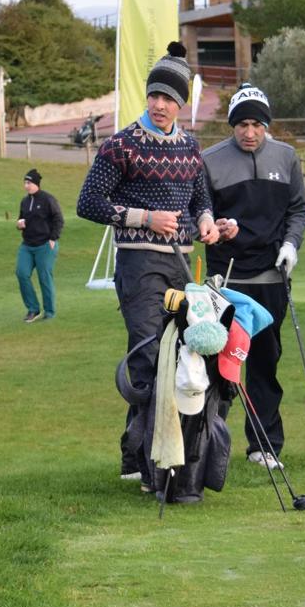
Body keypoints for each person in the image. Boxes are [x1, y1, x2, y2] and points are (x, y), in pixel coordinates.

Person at [76, 42, 219, 484]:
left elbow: (200, 199)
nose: (160, 104)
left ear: (180, 103)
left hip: (180, 266)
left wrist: (209, 221)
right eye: (154, 95)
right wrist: (144, 218)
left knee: (177, 357)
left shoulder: (191, 149)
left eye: (169, 98)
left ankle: (163, 455)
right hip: (137, 265)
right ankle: (138, 459)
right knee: (146, 354)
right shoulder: (122, 145)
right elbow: (88, 203)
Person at [203, 84, 305, 470]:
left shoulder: (287, 157)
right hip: (226, 278)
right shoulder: (210, 160)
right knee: (219, 364)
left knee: (265, 362)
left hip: (270, 276)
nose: (250, 132)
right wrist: (216, 226)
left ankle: (263, 446)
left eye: (258, 124)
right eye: (243, 124)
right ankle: (210, 441)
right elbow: (199, 214)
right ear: (233, 125)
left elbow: (299, 208)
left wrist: (291, 245)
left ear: (267, 125)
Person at [16, 168, 64, 322]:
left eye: (28, 182)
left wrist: (53, 238)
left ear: (36, 183)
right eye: (25, 182)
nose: (26, 186)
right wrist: (19, 224)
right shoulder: (24, 201)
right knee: (21, 273)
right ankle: (33, 309)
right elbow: (22, 219)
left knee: (44, 278)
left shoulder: (47, 199)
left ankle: (49, 312)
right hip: (27, 245)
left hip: (45, 245)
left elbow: (58, 219)